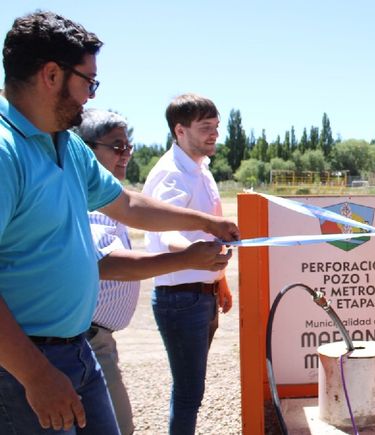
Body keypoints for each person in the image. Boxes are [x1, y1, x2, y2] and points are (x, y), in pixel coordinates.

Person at [0, 12, 238, 434]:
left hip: (76, 349)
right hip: (23, 364)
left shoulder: (67, 143)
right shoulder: (6, 152)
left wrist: (207, 222)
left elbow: (127, 204)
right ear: (51, 74)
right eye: (88, 82)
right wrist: (35, 375)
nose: (90, 96)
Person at [75, 109, 233, 435]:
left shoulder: (109, 193)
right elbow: (108, 264)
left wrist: (208, 238)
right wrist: (188, 257)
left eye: (128, 147)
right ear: (85, 149)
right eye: (117, 148)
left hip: (97, 336)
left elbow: (139, 209)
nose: (126, 156)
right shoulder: (92, 198)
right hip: (85, 336)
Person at [142, 93, 234, 435]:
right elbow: (165, 233)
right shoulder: (170, 173)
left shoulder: (201, 169)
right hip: (180, 297)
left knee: (191, 391)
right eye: (205, 127)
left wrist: (220, 281)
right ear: (179, 131)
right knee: (188, 393)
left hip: (200, 293)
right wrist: (196, 252)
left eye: (216, 127)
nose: (214, 134)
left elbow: (204, 230)